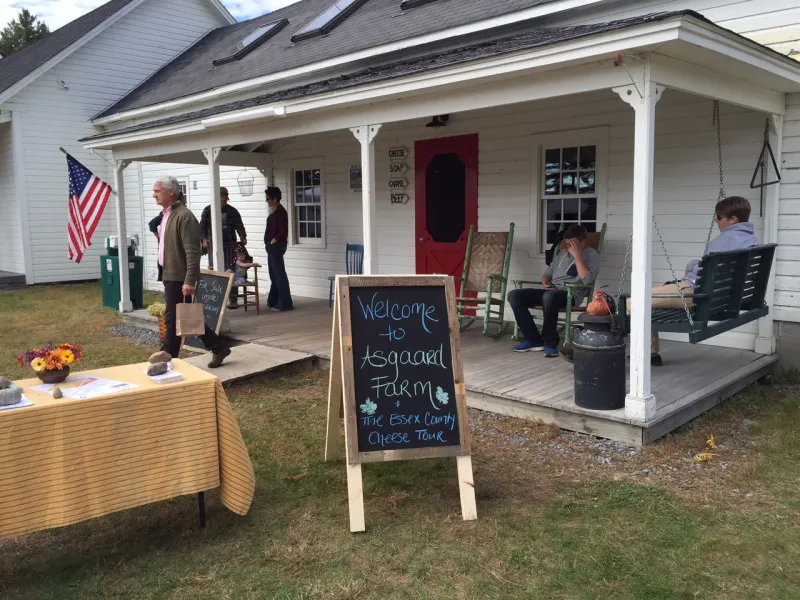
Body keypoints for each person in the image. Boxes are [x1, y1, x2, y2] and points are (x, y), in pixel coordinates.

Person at [632, 195, 759, 366]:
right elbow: (716, 269)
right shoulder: (751, 241)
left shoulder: (723, 241)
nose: (716, 220)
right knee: (653, 294)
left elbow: (708, 271)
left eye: (719, 217)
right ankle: (650, 352)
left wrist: (691, 267)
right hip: (720, 297)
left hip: (698, 295)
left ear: (733, 220)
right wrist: (694, 266)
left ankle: (631, 350)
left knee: (635, 300)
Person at [154, 175, 231, 368]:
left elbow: (193, 251)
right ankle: (219, 347)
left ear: (171, 192)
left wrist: (189, 280)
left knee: (174, 319)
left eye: (157, 191)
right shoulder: (167, 215)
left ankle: (168, 360)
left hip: (179, 276)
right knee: (184, 317)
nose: (154, 195)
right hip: (170, 274)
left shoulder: (184, 217)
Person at [509, 224, 600, 358]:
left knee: (549, 298)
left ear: (583, 242)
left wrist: (577, 255)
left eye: (573, 244)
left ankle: (550, 343)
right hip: (551, 291)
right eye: (567, 243)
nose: (569, 247)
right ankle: (534, 340)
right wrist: (545, 282)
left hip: (570, 294)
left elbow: (587, 280)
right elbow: (548, 273)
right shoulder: (561, 254)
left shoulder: (591, 254)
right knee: (514, 295)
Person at [200, 187, 247, 308]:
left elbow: (239, 226)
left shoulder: (232, 211)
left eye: (225, 200)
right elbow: (202, 227)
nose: (223, 203)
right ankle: (215, 298)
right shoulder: (208, 210)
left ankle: (233, 299)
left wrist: (243, 237)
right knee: (215, 270)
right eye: (221, 200)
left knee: (231, 271)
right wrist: (204, 239)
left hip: (230, 245)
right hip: (213, 246)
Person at [264, 186, 293, 312]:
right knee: (273, 274)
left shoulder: (281, 212)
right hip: (271, 247)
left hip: (276, 246)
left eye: (268, 199)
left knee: (279, 274)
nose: (267, 201)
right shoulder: (275, 211)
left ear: (275, 199)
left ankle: (284, 303)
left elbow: (283, 231)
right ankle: (274, 301)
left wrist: (274, 240)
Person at [149, 191, 186, 282]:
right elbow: (152, 224)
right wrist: (158, 236)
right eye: (183, 199)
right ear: (180, 199)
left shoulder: (183, 213)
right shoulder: (166, 214)